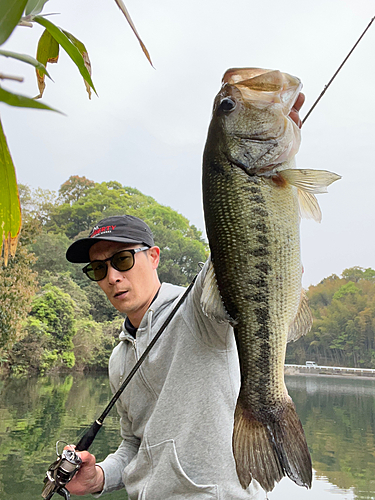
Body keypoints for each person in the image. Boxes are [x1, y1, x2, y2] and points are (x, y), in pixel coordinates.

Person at [65, 95, 305, 499]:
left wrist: (263, 146)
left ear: (153, 256)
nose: (112, 277)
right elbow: (135, 444)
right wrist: (101, 476)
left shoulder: (198, 308)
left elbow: (242, 247)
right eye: (98, 269)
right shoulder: (118, 359)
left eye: (122, 259)